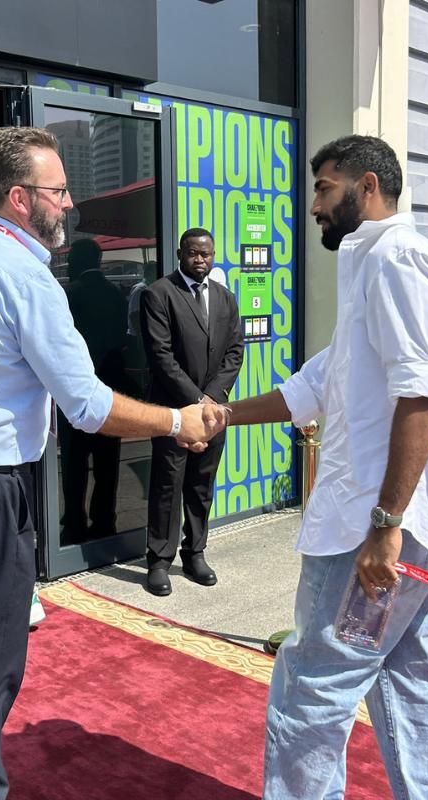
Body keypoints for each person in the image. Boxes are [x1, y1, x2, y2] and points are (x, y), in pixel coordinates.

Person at [0, 125, 226, 800]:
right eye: (59, 190)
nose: (70, 204)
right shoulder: (25, 276)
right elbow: (85, 406)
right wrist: (175, 419)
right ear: (20, 197)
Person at [225, 135, 428, 799]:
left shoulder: (396, 257)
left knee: (311, 683)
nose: (313, 207)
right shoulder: (375, 261)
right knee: (404, 669)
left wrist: (386, 525)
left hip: (371, 529)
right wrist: (222, 416)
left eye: (324, 190)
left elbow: (425, 393)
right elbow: (319, 383)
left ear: (369, 186)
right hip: (388, 522)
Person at [139, 227, 243, 596]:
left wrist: (213, 399)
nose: (201, 260)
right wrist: (198, 402)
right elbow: (161, 357)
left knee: (202, 484)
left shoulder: (226, 298)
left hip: (214, 412)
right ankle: (159, 561)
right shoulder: (159, 294)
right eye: (194, 254)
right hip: (173, 410)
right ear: (181, 253)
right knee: (168, 485)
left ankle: (195, 552)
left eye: (207, 254)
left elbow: (234, 352)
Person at [59, 238, 128, 544]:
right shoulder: (116, 293)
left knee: (75, 463)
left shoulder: (68, 294)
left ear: (77, 261)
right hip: (109, 388)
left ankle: (74, 521)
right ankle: (105, 520)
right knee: (107, 462)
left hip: (75, 390)